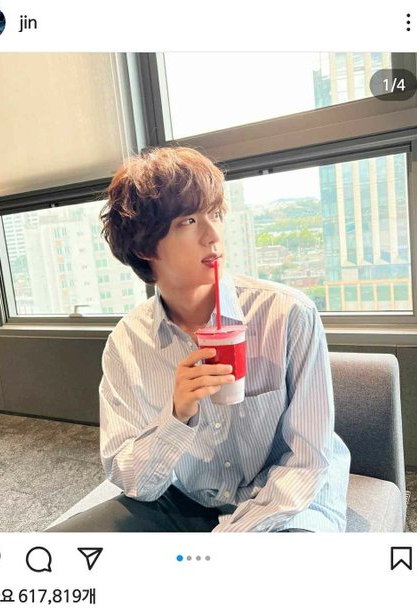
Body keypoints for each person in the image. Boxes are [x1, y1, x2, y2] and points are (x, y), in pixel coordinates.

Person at [48, 146, 351, 533]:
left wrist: (230, 538)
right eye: (189, 220)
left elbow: (307, 461)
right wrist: (177, 415)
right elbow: (132, 478)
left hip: (285, 499)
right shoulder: (127, 343)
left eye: (216, 214)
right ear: (143, 246)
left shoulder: (287, 314)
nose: (213, 235)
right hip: (186, 497)